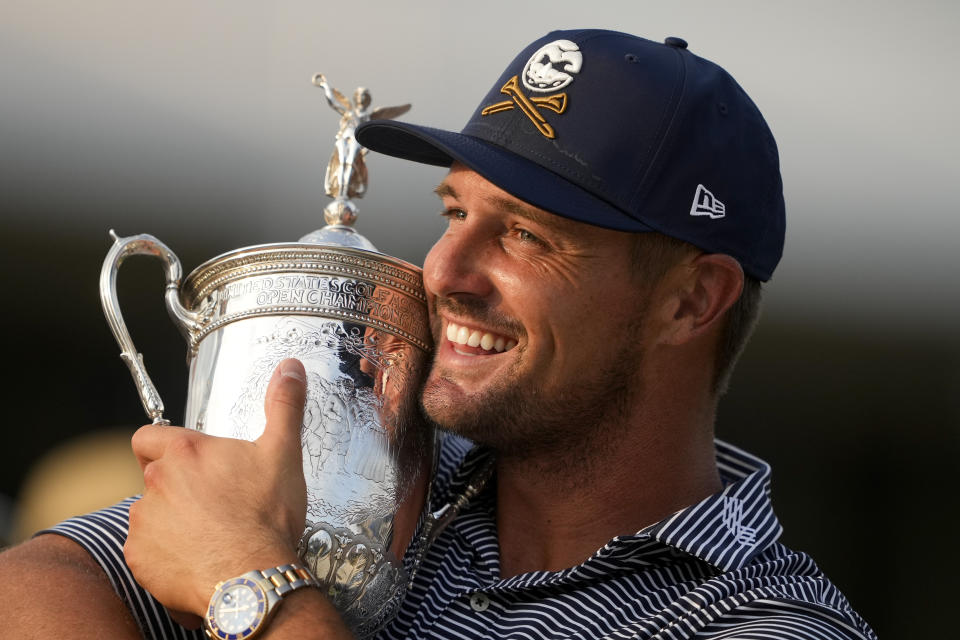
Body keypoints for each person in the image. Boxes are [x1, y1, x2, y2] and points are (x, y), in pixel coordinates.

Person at [0, 29, 877, 639]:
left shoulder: (769, 623)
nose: (444, 271)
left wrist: (254, 588)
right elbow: (35, 586)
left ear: (692, 301)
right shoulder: (385, 466)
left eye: (527, 235)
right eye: (454, 210)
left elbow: (230, 569)